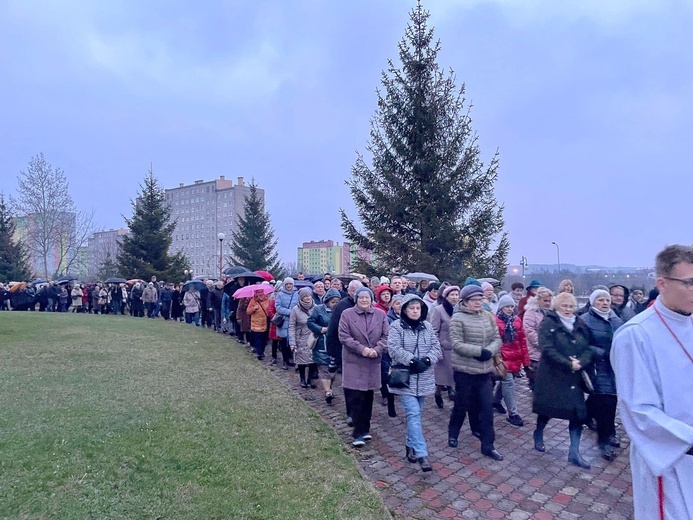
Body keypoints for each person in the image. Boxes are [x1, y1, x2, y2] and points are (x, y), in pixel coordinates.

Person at [611, 245, 693, 519]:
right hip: (669, 460)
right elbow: (638, 411)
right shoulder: (635, 335)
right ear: (662, 283)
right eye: (690, 283)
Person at [532, 292, 594, 468]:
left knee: (577, 414)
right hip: (553, 375)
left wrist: (581, 361)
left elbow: (588, 347)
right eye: (564, 306)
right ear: (556, 307)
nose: (568, 309)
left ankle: (574, 452)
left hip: (574, 378)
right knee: (548, 409)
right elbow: (547, 348)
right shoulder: (549, 323)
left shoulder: (579, 323)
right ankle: (539, 433)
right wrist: (568, 363)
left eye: (571, 306)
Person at [447, 284, 504, 461]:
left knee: (487, 408)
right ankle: (453, 432)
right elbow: (456, 344)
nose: (478, 302)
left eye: (480, 299)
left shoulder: (488, 316)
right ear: (465, 301)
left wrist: (490, 351)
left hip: (485, 371)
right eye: (474, 300)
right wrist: (479, 351)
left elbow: (497, 338)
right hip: (465, 370)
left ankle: (488, 445)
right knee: (462, 404)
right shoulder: (458, 319)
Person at [387, 294, 442, 472]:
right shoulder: (396, 327)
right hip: (405, 378)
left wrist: (427, 360)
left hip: (424, 377)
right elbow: (393, 349)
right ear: (404, 309)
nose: (415, 311)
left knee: (417, 414)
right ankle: (421, 453)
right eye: (411, 308)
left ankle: (409, 445)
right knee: (413, 414)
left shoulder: (427, 326)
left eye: (418, 308)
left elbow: (436, 347)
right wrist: (411, 360)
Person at [338, 287, 389, 447]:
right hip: (354, 360)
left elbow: (386, 335)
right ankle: (357, 433)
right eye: (361, 298)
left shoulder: (380, 315)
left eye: (367, 298)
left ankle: (365, 430)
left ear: (372, 299)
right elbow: (344, 336)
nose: (364, 301)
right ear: (356, 299)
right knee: (355, 397)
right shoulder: (347, 314)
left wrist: (377, 349)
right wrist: (363, 349)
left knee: (368, 396)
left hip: (373, 361)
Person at [578, 289, 624, 461]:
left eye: (607, 300)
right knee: (605, 400)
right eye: (600, 300)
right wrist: (601, 352)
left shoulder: (616, 319)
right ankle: (603, 440)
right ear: (592, 302)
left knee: (611, 399)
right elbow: (581, 344)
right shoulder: (584, 320)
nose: (605, 303)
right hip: (596, 366)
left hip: (614, 366)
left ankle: (607, 430)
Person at [493, 294, 529, 427]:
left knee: (505, 382)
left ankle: (495, 401)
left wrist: (525, 362)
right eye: (506, 306)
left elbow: (522, 341)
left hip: (515, 358)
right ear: (501, 308)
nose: (509, 309)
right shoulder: (495, 321)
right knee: (508, 382)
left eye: (511, 306)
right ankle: (513, 413)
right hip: (502, 358)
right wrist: (498, 357)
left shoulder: (517, 321)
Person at [307, 288, 342, 404]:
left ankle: (329, 387)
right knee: (323, 369)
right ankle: (328, 392)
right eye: (333, 301)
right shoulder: (318, 309)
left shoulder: (342, 311)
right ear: (327, 301)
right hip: (322, 343)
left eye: (337, 301)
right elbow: (310, 322)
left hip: (336, 344)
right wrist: (320, 329)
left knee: (333, 372)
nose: (335, 304)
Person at [430, 285, 459, 408]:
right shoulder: (438, 310)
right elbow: (433, 331)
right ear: (446, 296)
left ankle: (455, 395)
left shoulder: (460, 310)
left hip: (458, 350)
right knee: (442, 379)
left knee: (455, 377)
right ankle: (438, 393)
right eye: (452, 295)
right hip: (444, 348)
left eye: (457, 295)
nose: (455, 297)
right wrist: (437, 349)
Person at [522, 287, 553, 390]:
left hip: (548, 352)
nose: (548, 303)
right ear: (538, 300)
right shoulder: (531, 313)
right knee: (536, 382)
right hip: (535, 353)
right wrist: (543, 344)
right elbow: (529, 331)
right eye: (545, 301)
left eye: (549, 301)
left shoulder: (551, 313)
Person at [289, 287, 317, 388]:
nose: (308, 298)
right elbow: (291, 326)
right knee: (302, 359)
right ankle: (302, 379)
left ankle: (311, 379)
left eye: (309, 295)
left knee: (313, 359)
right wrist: (292, 342)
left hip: (313, 337)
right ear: (301, 298)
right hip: (300, 337)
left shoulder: (316, 308)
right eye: (305, 296)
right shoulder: (295, 310)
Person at [275, 277, 298, 370]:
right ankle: (285, 361)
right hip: (284, 321)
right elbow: (278, 307)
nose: (289, 286)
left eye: (290, 284)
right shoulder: (280, 294)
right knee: (284, 342)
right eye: (287, 284)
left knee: (292, 342)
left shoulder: (296, 294)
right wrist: (289, 312)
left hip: (294, 322)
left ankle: (291, 359)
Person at [247, 288, 270, 360]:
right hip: (256, 324)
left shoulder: (268, 300)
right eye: (258, 292)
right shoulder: (253, 301)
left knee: (264, 340)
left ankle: (261, 351)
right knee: (258, 339)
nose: (260, 294)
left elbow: (270, 310)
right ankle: (260, 353)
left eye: (261, 292)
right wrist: (253, 308)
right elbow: (248, 312)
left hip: (265, 323)